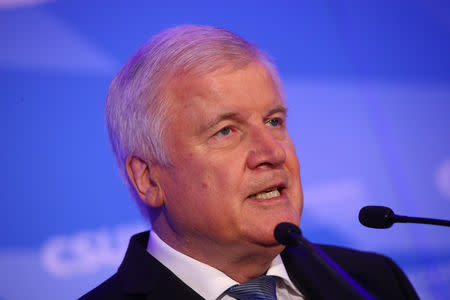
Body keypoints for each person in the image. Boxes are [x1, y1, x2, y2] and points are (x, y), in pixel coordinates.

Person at [80, 25, 418, 300]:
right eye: (226, 131)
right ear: (149, 180)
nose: (272, 153)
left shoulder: (374, 282)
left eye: (274, 122)